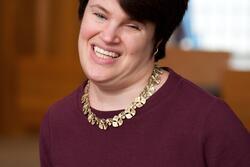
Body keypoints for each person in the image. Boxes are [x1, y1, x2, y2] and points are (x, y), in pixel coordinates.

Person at [39, 0, 250, 166]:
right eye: (100, 15)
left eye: (132, 25)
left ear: (157, 40)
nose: (108, 36)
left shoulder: (211, 122)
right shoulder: (56, 121)